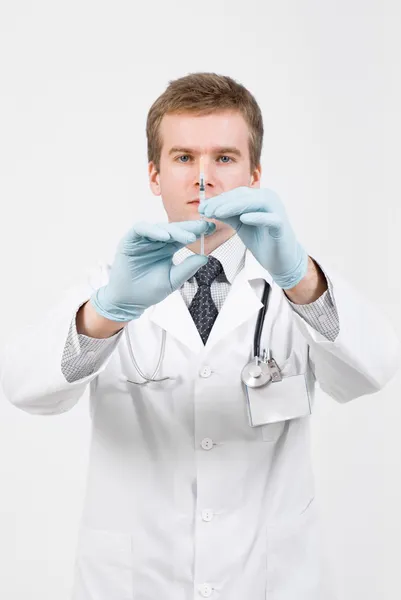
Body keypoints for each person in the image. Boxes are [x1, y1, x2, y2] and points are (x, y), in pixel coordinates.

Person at [1, 72, 399, 600]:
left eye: (225, 158)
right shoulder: (109, 286)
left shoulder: (295, 287)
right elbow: (26, 387)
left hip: (269, 582)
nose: (204, 179)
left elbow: (372, 371)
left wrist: (299, 276)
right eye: (184, 158)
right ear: (154, 174)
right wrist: (107, 314)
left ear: (255, 174)